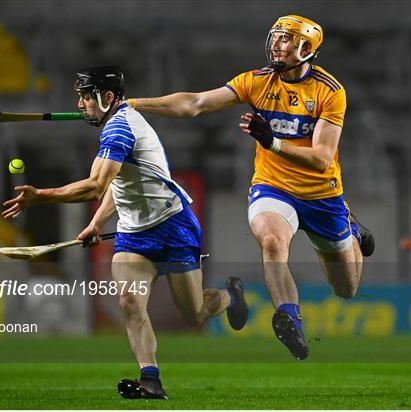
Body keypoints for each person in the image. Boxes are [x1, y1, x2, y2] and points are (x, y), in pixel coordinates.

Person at [126, 15, 375, 360]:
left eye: (286, 40)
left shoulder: (330, 92)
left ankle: (350, 229)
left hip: (322, 195)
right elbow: (194, 103)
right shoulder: (256, 81)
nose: (277, 44)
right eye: (275, 37)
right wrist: (135, 104)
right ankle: (289, 316)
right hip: (273, 187)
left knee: (346, 288)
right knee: (272, 241)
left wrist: (273, 143)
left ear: (306, 48)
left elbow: (321, 158)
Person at [1, 66, 249, 399]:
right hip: (133, 233)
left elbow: (95, 186)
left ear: (106, 98)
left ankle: (232, 296)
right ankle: (150, 380)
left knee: (193, 314)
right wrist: (97, 223)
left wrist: (40, 196)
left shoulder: (119, 128)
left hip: (173, 225)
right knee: (129, 302)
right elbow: (119, 185)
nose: (80, 104)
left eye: (86, 97)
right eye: (78, 97)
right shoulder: (114, 124)